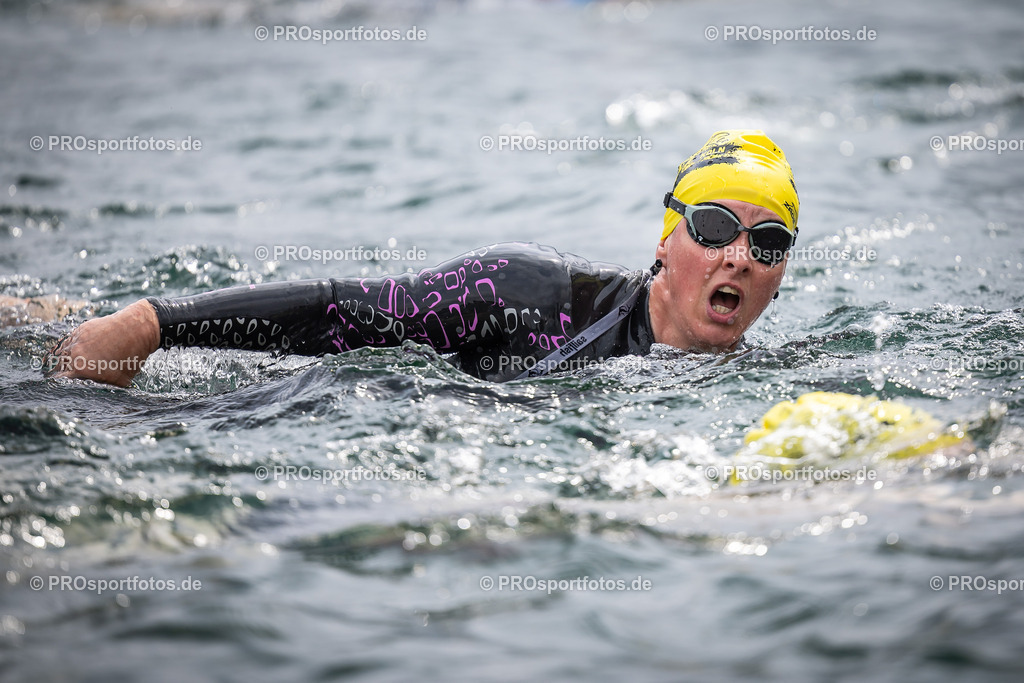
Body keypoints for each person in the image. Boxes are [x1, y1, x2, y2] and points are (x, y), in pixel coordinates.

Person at [44, 129, 800, 386]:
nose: (738, 255)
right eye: (711, 224)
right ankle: (55, 315)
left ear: (780, 274)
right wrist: (151, 324)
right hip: (318, 406)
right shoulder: (530, 295)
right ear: (664, 239)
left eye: (767, 242)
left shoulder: (770, 382)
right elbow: (349, 311)